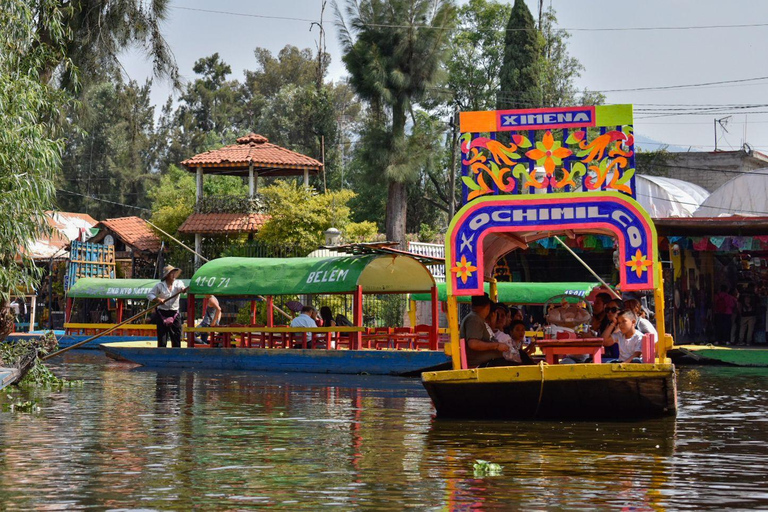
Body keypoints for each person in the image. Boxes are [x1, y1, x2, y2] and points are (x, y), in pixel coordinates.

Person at [459, 295, 508, 368]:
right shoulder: (474, 319)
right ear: (488, 307)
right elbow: (473, 344)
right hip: (481, 364)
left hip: (490, 361)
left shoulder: (479, 319)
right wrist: (496, 346)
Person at [147, 265, 188, 348]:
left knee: (176, 337)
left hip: (174, 313)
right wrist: (158, 299)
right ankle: (162, 356)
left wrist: (183, 290)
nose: (173, 275)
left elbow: (182, 289)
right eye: (171, 273)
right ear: (167, 275)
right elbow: (149, 295)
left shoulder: (178, 283)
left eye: (174, 273)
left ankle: (176, 356)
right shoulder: (160, 285)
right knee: (162, 338)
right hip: (162, 313)